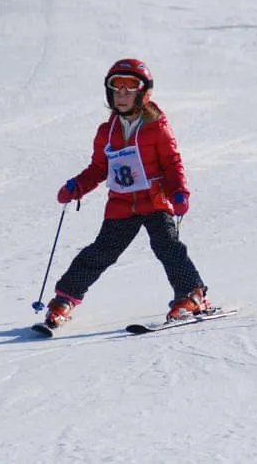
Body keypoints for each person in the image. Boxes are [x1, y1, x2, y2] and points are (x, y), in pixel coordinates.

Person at [40, 58, 209, 330]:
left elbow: (171, 163)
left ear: (143, 93)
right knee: (100, 252)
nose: (122, 94)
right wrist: (77, 186)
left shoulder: (156, 127)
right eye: (116, 88)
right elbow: (99, 168)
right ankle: (64, 300)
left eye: (130, 88)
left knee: (167, 246)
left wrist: (179, 192)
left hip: (154, 200)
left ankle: (192, 295)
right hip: (121, 203)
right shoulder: (106, 132)